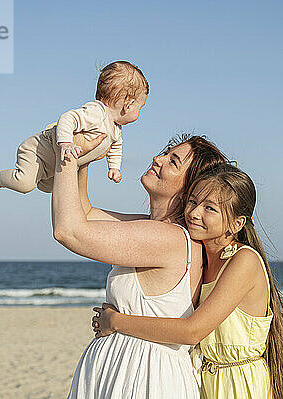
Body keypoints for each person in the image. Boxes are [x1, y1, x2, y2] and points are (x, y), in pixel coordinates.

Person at [93, 164, 283, 399]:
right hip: (206, 381)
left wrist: (116, 321)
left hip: (240, 384)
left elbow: (192, 331)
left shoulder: (244, 261)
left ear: (237, 223)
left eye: (209, 208)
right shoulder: (200, 258)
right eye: (192, 202)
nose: (194, 213)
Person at [51, 133, 229, 398]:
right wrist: (82, 155)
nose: (158, 159)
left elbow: (69, 231)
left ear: (190, 188)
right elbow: (85, 213)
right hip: (126, 369)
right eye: (166, 153)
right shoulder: (155, 228)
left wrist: (63, 149)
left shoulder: (170, 238)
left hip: (144, 377)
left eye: (173, 162)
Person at [0, 60, 149, 200]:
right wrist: (66, 143)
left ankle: (40, 177)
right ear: (129, 104)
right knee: (25, 184)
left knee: (57, 188)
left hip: (52, 166)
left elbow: (116, 148)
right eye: (140, 107)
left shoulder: (115, 129)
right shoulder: (96, 112)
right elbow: (68, 118)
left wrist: (114, 167)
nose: (139, 112)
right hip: (38, 151)